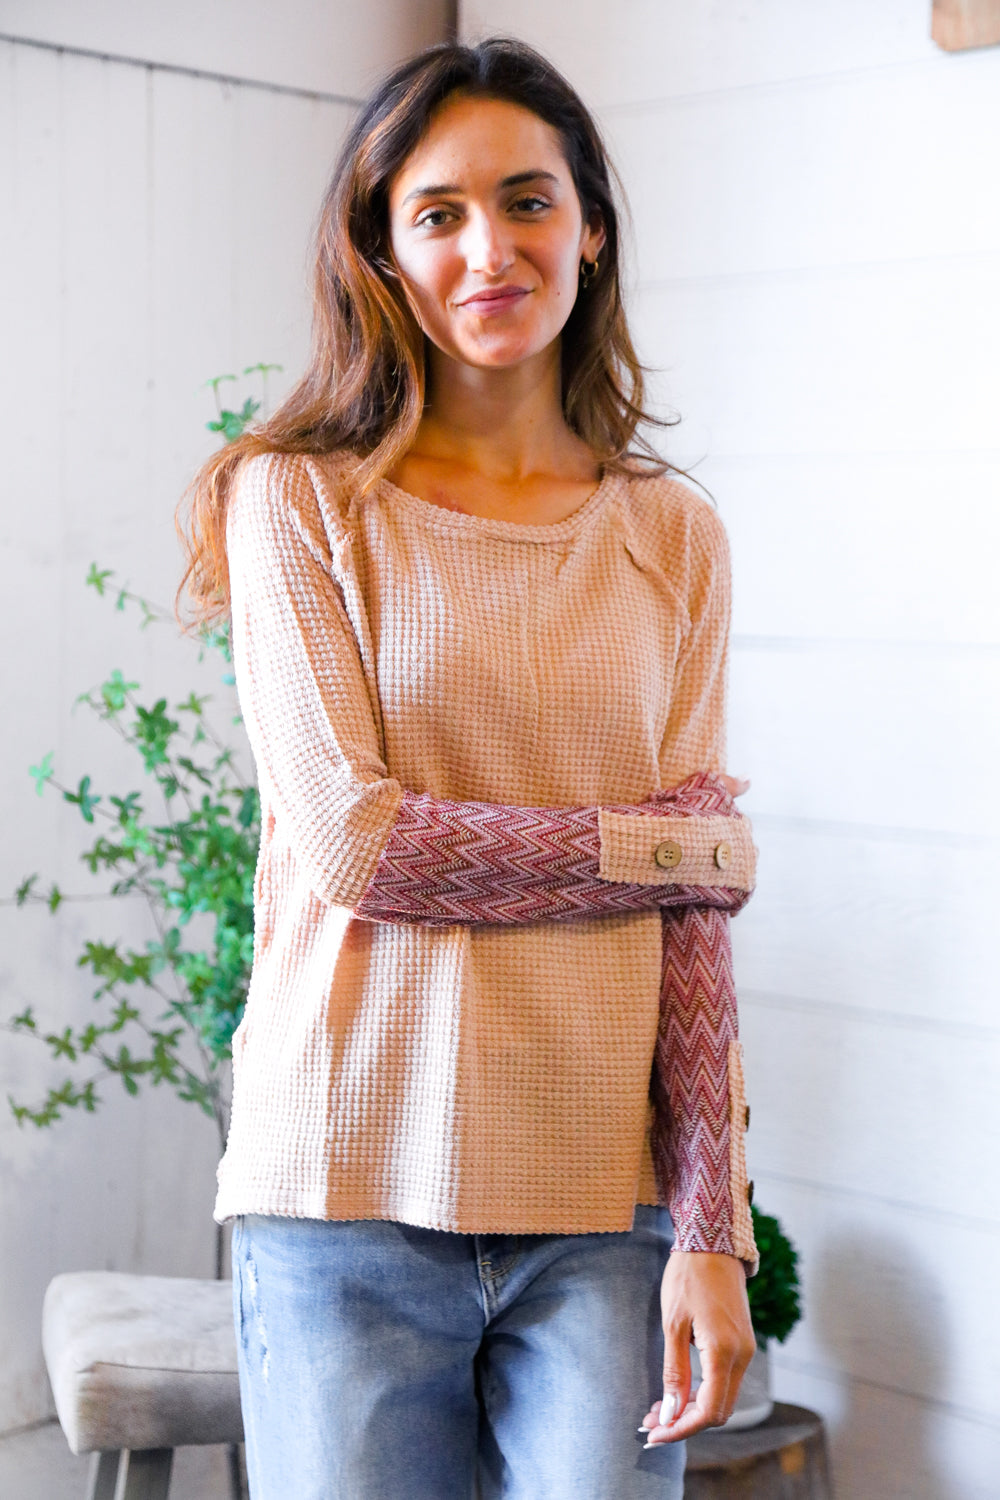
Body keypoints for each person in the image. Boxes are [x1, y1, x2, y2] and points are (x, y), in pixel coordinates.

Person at [180, 36, 758, 1500]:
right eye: (435, 213)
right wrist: (658, 847)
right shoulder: (298, 500)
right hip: (343, 1193)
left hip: (602, 1206)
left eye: (526, 200)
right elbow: (361, 851)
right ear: (381, 249)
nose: (486, 248)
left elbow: (695, 932)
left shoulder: (671, 536)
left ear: (591, 225)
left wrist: (713, 1227)